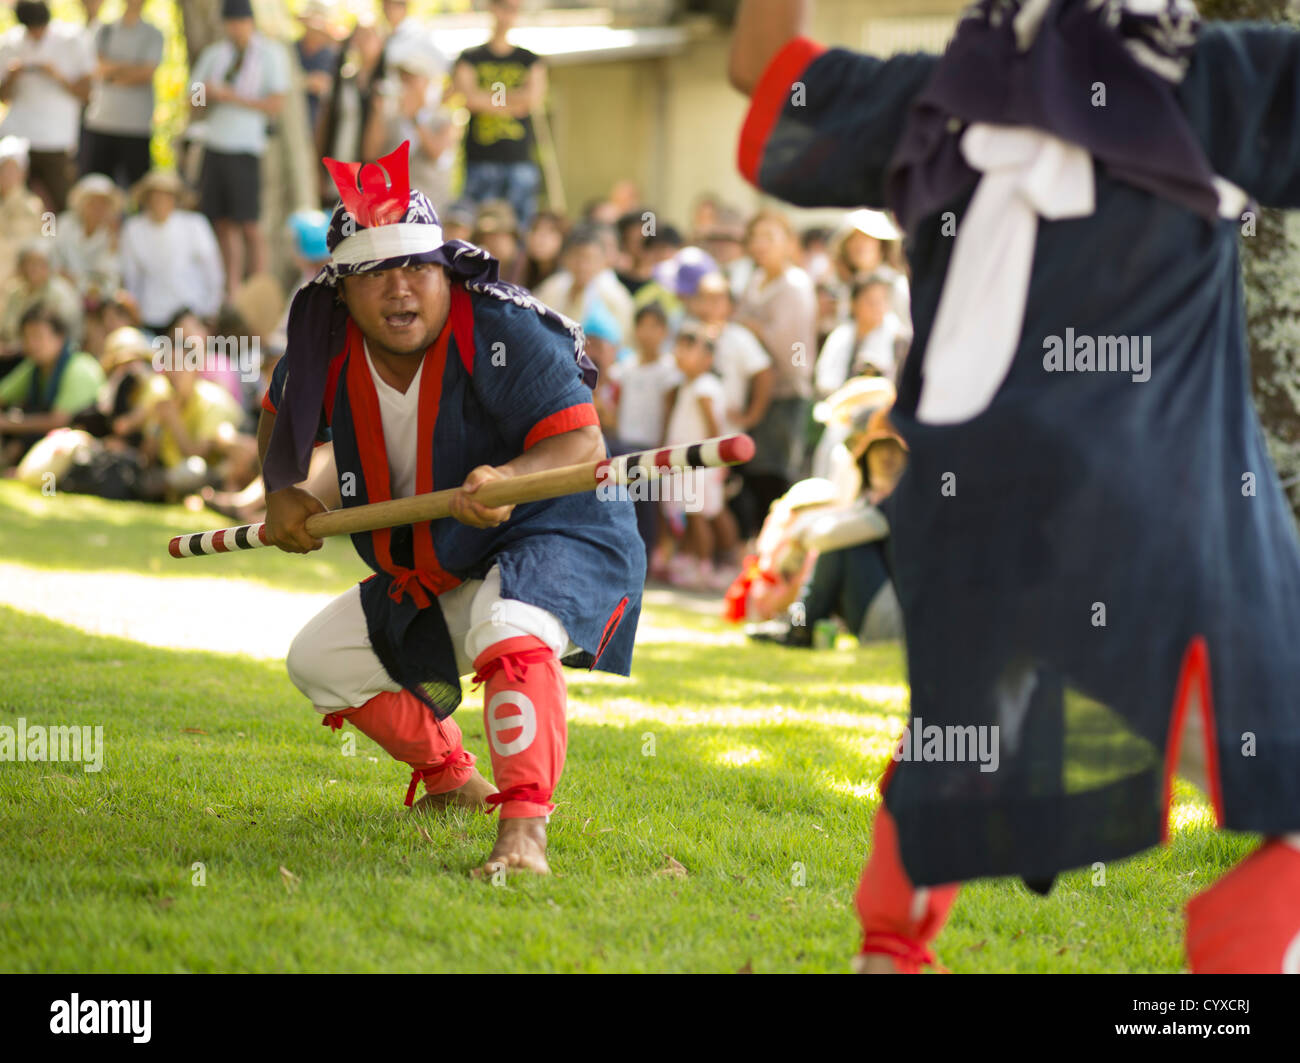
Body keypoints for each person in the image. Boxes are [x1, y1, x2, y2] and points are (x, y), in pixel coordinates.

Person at [731, 0, 1300, 974]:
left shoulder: (930, 94)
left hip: (965, 521)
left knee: (965, 715)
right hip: (1154, 516)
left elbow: (758, 64)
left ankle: (888, 949)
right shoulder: (1210, 77)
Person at [258, 141, 644, 875]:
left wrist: (505, 477)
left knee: (511, 625)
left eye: (416, 267)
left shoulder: (504, 327)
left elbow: (577, 450)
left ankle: (525, 833)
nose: (400, 289)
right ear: (341, 289)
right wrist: (283, 489)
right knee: (320, 659)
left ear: (445, 269)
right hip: (442, 554)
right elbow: (281, 413)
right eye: (374, 272)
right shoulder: (324, 343)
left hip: (558, 527)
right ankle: (451, 779)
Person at [189, 0, 289, 300]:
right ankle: (230, 289)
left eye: (240, 22)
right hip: (215, 144)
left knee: (250, 224)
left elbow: (275, 104)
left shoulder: (270, 54)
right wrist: (207, 94)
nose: (236, 28)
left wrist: (234, 98)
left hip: (246, 148)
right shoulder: (214, 55)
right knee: (222, 221)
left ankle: (259, 290)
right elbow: (192, 99)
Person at [732, 209, 817, 536]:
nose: (761, 244)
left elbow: (788, 345)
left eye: (770, 237)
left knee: (776, 475)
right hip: (754, 393)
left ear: (787, 242)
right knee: (751, 475)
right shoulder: (753, 281)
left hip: (785, 394)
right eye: (756, 237)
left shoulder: (795, 285)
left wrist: (752, 327)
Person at [453, 0, 545, 227]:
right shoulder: (470, 57)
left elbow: (531, 100)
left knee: (520, 228)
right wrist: (513, 101)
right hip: (479, 158)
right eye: (505, 6)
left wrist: (485, 99)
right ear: (492, 8)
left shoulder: (530, 59)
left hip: (519, 158)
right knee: (475, 230)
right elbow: (469, 98)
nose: (509, 14)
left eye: (515, 8)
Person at [662, 324, 737, 590]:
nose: (680, 353)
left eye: (688, 348)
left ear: (707, 359)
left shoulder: (704, 388)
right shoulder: (687, 385)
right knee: (691, 513)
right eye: (679, 347)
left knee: (698, 515)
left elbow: (714, 430)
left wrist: (715, 462)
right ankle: (693, 560)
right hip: (687, 462)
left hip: (698, 463)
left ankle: (705, 566)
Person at [0, 1, 94, 213]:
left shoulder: (72, 40)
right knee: (13, 202)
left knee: (57, 206)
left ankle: (52, 243)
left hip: (56, 140)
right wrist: (13, 76)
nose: (35, 34)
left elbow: (88, 93)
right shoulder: (9, 43)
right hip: (17, 137)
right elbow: (3, 97)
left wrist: (57, 76)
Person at [0, 303, 103, 467]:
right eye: (26, 337)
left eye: (38, 336)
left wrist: (8, 424)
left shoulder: (79, 367)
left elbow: (58, 421)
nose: (32, 343)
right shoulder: (34, 367)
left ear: (60, 337)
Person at [119, 169, 223, 332]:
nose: (160, 201)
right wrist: (134, 313)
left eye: (166, 195)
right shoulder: (134, 229)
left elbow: (212, 271)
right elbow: (131, 276)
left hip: (191, 312)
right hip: (150, 316)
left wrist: (211, 309)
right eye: (155, 195)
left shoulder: (195, 225)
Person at [362, 39, 456, 214]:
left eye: (412, 78)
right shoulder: (391, 118)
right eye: (403, 78)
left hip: (430, 208)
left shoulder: (443, 118)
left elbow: (436, 152)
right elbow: (370, 153)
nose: (405, 84)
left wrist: (414, 117)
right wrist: (377, 113)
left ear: (426, 81)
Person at [81, 0, 164, 190]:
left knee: (138, 189)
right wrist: (132, 68)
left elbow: (146, 73)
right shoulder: (103, 30)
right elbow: (97, 69)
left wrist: (113, 72)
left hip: (136, 127)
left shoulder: (153, 34)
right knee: (95, 188)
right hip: (100, 123)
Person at [690, 270, 773, 434]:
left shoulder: (739, 337)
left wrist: (751, 416)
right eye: (703, 297)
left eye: (716, 299)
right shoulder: (689, 335)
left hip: (726, 435)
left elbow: (764, 374)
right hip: (689, 433)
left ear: (730, 304)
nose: (708, 304)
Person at [533, 222, 635, 340]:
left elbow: (621, 341)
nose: (582, 266)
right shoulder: (553, 286)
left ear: (602, 262)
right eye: (577, 258)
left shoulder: (615, 297)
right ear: (565, 259)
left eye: (589, 259)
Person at [814, 273, 903, 398]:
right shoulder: (840, 336)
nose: (876, 307)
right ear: (854, 303)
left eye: (881, 300)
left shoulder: (897, 339)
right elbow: (824, 381)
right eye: (870, 301)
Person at [0, 241, 83, 354]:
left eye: (39, 263)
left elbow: (67, 335)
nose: (32, 269)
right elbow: (6, 329)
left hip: (49, 355)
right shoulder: (16, 293)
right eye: (28, 263)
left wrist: (20, 347)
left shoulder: (61, 294)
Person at [51, 172, 123, 298]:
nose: (98, 208)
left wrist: (113, 242)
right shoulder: (65, 223)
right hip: (62, 292)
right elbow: (52, 257)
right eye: (93, 202)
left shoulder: (112, 234)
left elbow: (109, 277)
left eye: (103, 203)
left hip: (94, 297)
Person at [0, 137, 45, 291]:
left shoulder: (36, 205)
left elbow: (48, 238)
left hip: (19, 281)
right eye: (3, 169)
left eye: (13, 170)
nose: (7, 175)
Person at [295, 0, 338, 133]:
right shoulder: (292, 50)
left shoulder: (332, 56)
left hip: (318, 125)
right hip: (291, 119)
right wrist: (307, 82)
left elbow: (327, 87)